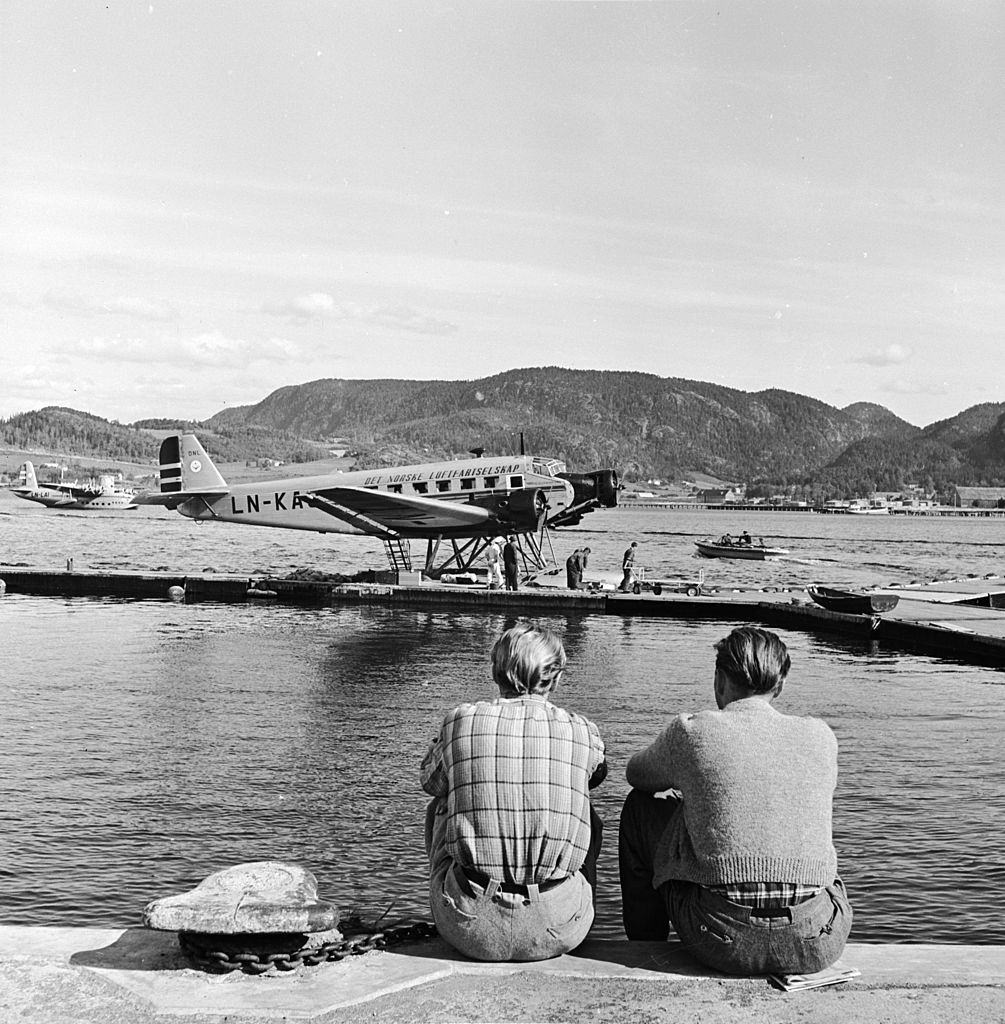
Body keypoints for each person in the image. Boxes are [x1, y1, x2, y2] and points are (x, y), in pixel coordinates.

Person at [618, 626, 852, 976]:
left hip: (720, 940)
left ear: (719, 680)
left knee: (640, 807)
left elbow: (637, 774)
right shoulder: (820, 736)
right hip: (818, 939)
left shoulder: (693, 732)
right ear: (780, 684)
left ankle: (646, 947)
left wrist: (691, 792)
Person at [420, 624, 607, 961]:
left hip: (470, 927)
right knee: (587, 814)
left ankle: (451, 895)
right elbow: (597, 776)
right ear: (556, 678)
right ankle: (577, 899)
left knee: (442, 804)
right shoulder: (581, 728)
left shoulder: (459, 720)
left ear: (496, 672)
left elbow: (429, 782)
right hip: (559, 929)